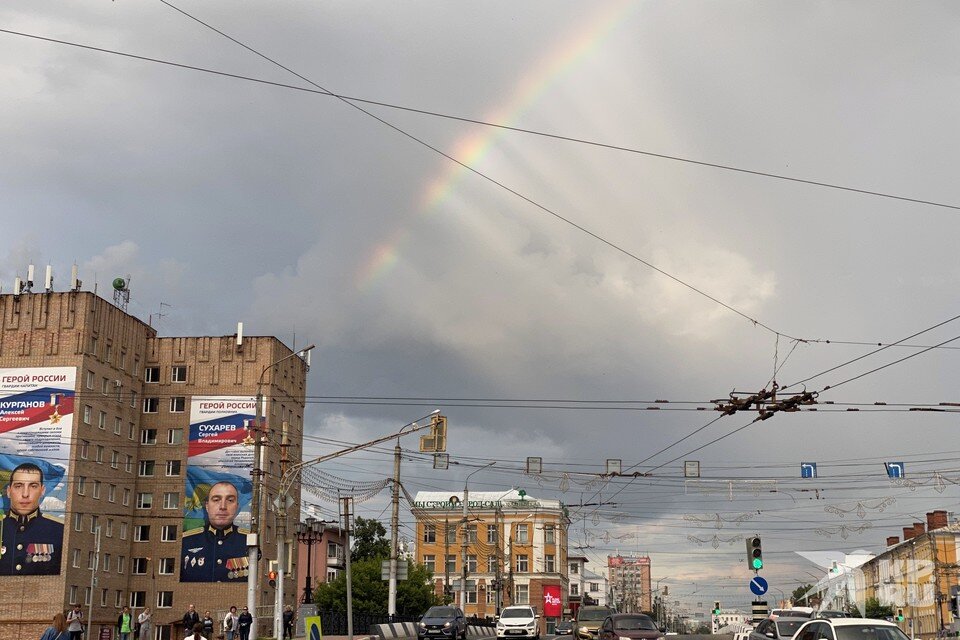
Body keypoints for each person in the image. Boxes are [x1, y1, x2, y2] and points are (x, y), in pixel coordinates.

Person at [0, 462, 64, 575]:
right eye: (18, 486)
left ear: (42, 490)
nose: (25, 494)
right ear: (9, 491)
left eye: (33, 486)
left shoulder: (59, 532)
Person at [180, 481, 249, 582]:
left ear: (237, 507)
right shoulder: (186, 541)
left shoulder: (250, 541)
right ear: (207, 506)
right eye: (216, 500)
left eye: (230, 500)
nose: (222, 506)